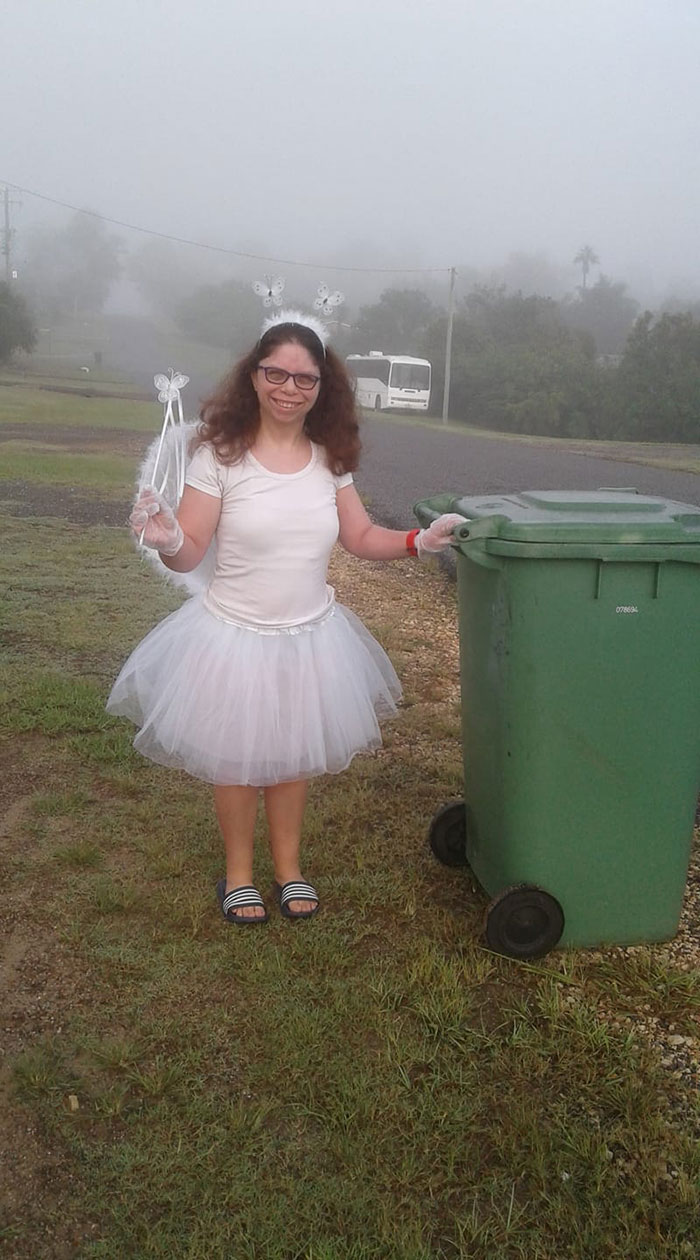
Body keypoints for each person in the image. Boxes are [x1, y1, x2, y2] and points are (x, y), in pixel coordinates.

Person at [107, 311, 461, 926]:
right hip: (234, 634)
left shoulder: (330, 459)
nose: (289, 388)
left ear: (323, 386)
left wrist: (418, 542)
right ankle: (240, 875)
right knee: (237, 758)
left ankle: (289, 869)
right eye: (277, 373)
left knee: (294, 754)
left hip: (310, 636)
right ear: (254, 375)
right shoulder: (218, 456)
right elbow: (190, 549)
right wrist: (166, 538)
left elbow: (359, 535)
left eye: (305, 378)